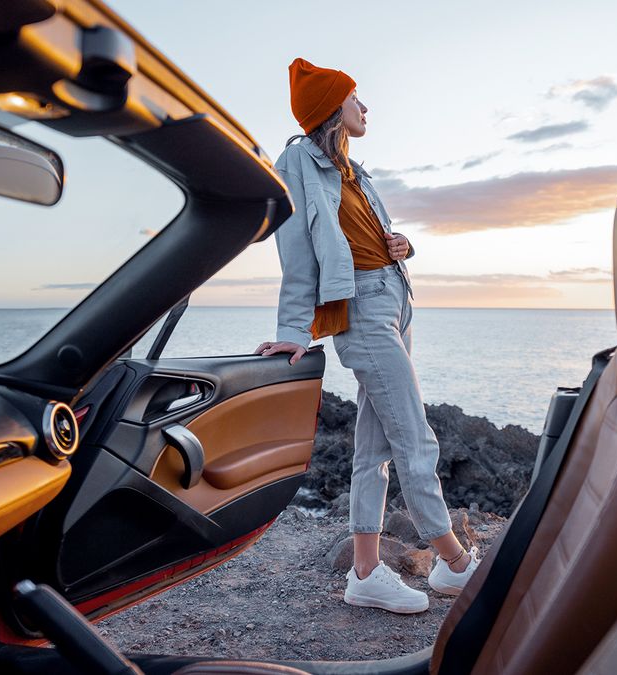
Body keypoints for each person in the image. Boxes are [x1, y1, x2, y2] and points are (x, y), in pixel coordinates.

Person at [255, 58, 479, 614]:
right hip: (361, 310)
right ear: (332, 108)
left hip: (395, 299)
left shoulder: (355, 171)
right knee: (414, 435)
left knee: (374, 448)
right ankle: (454, 562)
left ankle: (364, 573)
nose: (366, 107)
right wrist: (291, 330)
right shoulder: (298, 163)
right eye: (356, 97)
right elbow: (297, 251)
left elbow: (369, 239)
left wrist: (401, 244)